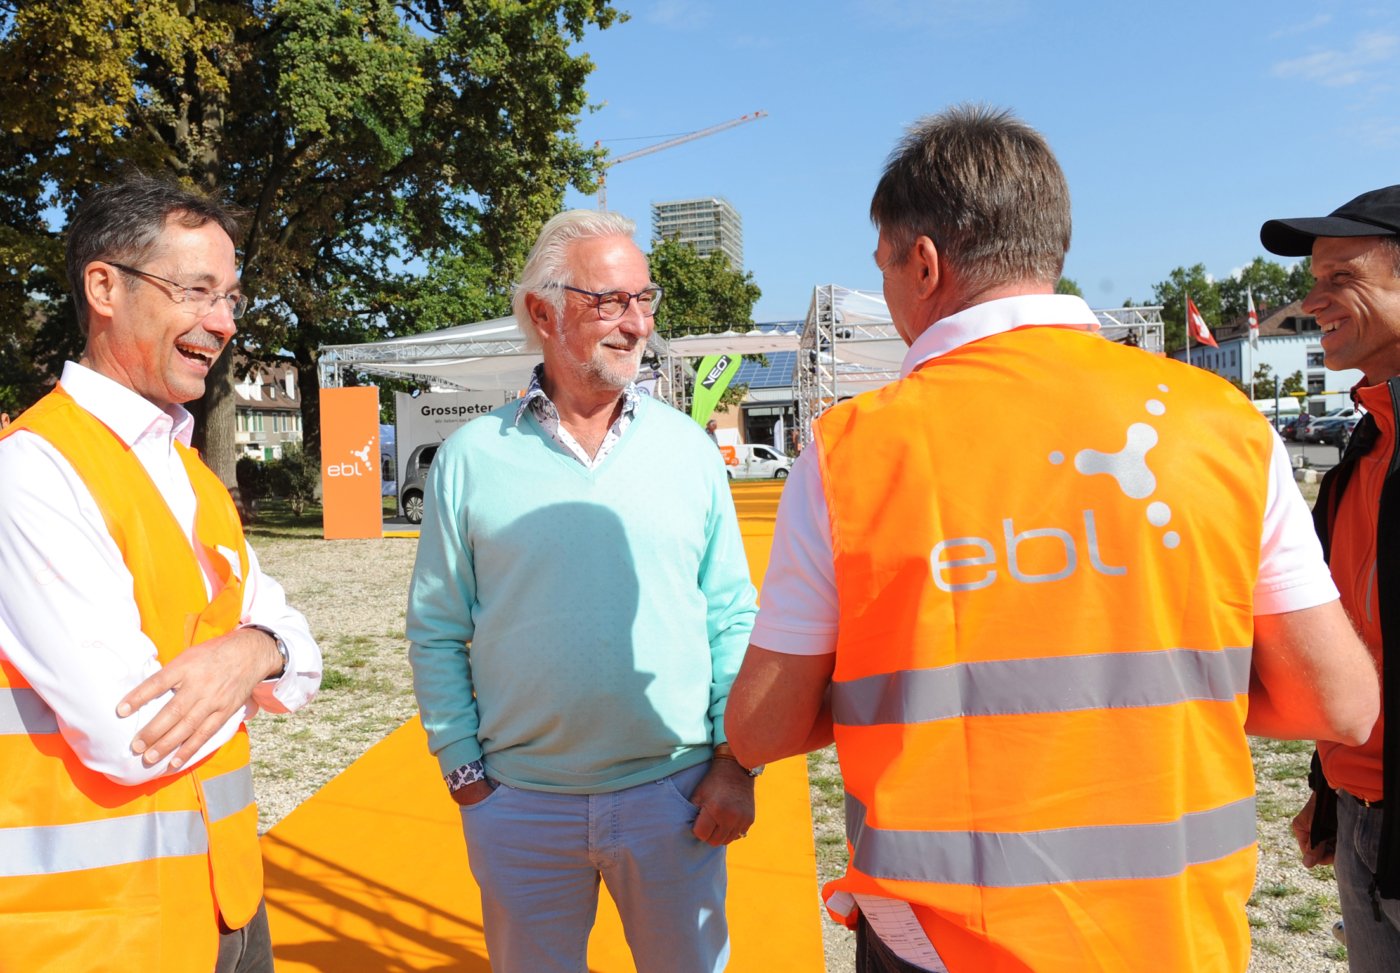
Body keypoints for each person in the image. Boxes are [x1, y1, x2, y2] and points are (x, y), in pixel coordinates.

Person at [724, 105, 1378, 973]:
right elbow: (1338, 702)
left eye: (882, 265)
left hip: (942, 941)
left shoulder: (854, 449)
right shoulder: (1222, 424)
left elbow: (762, 726)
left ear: (923, 263)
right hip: (1173, 930)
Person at [407, 209, 759, 973]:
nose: (638, 325)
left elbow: (733, 615)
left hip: (677, 797)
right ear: (541, 311)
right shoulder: (470, 457)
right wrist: (464, 768)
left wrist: (735, 763)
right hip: (519, 805)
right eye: (611, 301)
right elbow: (436, 627)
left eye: (646, 299)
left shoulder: (690, 452)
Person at [0, 172, 322, 973]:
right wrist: (261, 651)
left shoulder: (191, 476)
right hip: (99, 936)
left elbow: (302, 656)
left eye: (232, 297)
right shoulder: (34, 473)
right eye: (196, 291)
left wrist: (252, 651)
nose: (222, 323)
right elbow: (129, 732)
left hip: (229, 908)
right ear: (103, 287)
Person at [1267, 186, 1400, 969]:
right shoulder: (1364, 443)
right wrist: (1330, 780)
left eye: (1339, 275)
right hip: (1361, 813)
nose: (1311, 301)